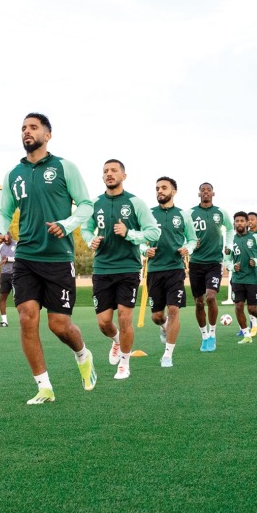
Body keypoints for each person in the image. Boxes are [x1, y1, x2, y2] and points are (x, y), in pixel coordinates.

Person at [0, 113, 96, 405]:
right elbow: (4, 211)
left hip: (59, 258)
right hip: (25, 257)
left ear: (47, 135)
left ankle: (83, 355)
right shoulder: (14, 174)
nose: (27, 132)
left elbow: (86, 206)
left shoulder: (64, 167)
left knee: (59, 325)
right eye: (23, 128)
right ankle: (44, 387)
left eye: (33, 127)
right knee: (26, 318)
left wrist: (67, 224)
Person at [81, 160, 161, 381]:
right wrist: (91, 240)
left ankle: (124, 364)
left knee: (125, 318)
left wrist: (129, 233)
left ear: (124, 176)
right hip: (102, 268)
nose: (109, 174)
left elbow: (153, 233)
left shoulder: (136, 203)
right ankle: (116, 341)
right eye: (105, 171)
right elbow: (86, 229)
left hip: (128, 267)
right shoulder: (94, 203)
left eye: (114, 170)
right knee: (104, 322)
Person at [145, 176, 196, 368]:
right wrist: (144, 249)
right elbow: (140, 238)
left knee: (174, 310)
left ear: (173, 191)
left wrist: (187, 249)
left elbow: (192, 239)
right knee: (157, 316)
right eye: (157, 188)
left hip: (175, 269)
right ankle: (164, 327)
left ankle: (168, 354)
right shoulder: (148, 214)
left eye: (164, 188)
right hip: (155, 270)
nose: (160, 191)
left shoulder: (183, 215)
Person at [190, 183, 234, 352]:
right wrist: (191, 243)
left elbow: (230, 229)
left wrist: (228, 245)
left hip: (214, 262)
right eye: (203, 190)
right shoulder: (190, 213)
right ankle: (204, 336)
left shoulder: (220, 212)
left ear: (213, 193)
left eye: (208, 190)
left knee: (210, 297)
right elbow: (182, 232)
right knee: (199, 302)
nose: (206, 192)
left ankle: (213, 333)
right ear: (199, 193)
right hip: (196, 263)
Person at [224, 212, 257, 343]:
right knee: (238, 307)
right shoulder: (230, 241)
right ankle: (246, 335)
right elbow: (226, 260)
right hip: (237, 279)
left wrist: (256, 261)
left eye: (242, 221)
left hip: (252, 279)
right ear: (234, 223)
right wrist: (232, 267)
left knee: (252, 308)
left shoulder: (256, 238)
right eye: (237, 221)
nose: (239, 223)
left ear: (247, 223)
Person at [0, 235, 17, 327]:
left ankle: (24, 319)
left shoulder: (17, 244)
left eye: (8, 239)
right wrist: (1, 261)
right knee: (2, 297)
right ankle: (4, 321)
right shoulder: (1, 246)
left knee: (18, 298)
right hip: (4, 275)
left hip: (16, 274)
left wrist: (8, 259)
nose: (6, 241)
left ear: (11, 237)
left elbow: (19, 258)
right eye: (4, 240)